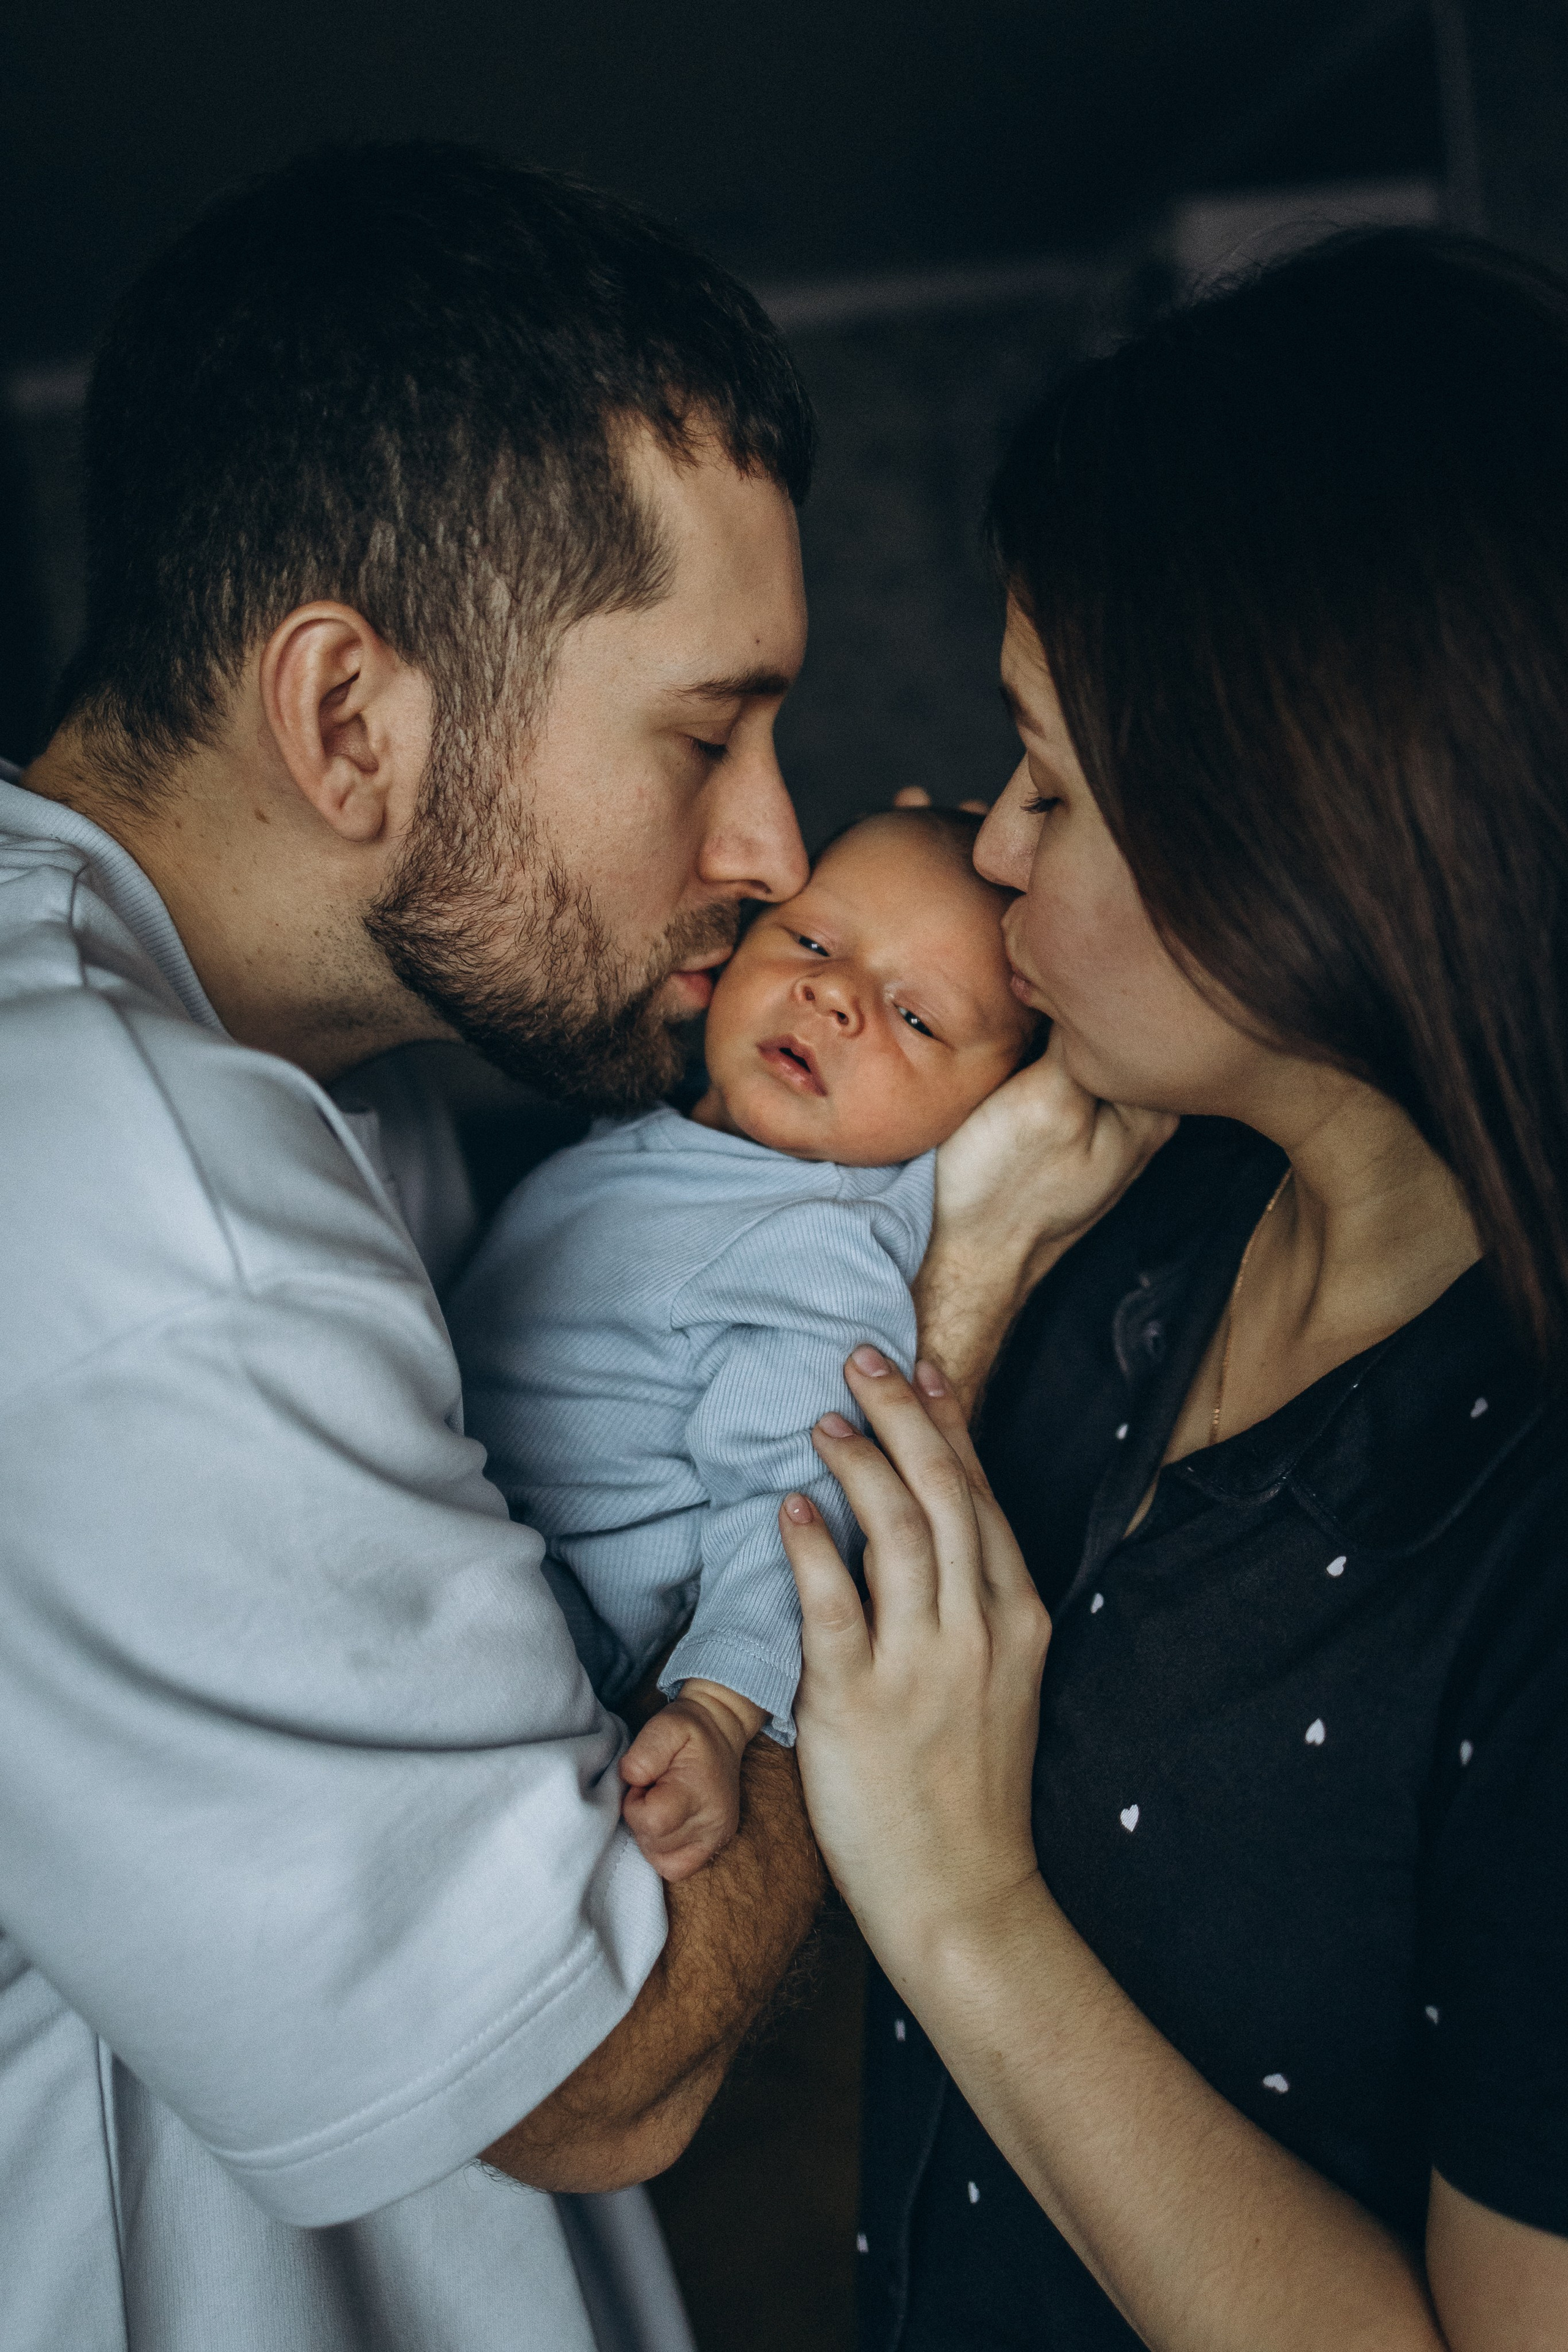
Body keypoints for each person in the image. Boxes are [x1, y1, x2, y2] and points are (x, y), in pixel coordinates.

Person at [0, 140, 848, 2352]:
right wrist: (907, 1381)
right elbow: (606, 2064)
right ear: (349, 718)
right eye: (705, 731)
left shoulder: (309, 1064)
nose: (772, 846)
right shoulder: (128, 1198)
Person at [775, 230, 1568, 2351]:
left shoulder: (1529, 1544)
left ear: (1306, 828)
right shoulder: (1131, 1201)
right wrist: (968, 1275)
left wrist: (963, 1911)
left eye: (1050, 781)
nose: (991, 848)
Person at [448, 809, 1039, 1882]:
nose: (836, 996)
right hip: (460, 1529)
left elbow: (792, 1498)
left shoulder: (817, 1248)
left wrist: (718, 1708)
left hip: (540, 1627)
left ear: (991, 1108)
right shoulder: (693, 1144)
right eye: (814, 943)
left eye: (914, 1016)